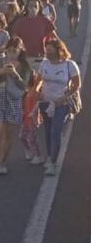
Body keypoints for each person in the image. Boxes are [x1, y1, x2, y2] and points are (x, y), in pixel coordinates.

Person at [0, 38, 29, 178]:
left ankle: (2, 162)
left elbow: (25, 87)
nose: (11, 54)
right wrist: (0, 72)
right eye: (9, 51)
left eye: (14, 51)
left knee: (8, 135)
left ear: (20, 51)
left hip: (14, 101)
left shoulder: (25, 65)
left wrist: (15, 75)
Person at [36, 39, 82, 176]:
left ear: (59, 50)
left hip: (61, 103)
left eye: (50, 50)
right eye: (46, 50)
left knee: (56, 131)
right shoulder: (44, 64)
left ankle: (53, 162)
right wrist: (37, 92)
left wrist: (65, 96)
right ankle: (50, 155)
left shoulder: (69, 65)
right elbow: (38, 81)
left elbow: (76, 84)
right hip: (46, 101)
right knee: (48, 130)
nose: (47, 52)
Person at [12, 0, 59, 66]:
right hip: (24, 57)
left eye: (35, 6)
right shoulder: (20, 22)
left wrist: (59, 52)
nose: (33, 8)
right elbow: (14, 40)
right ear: (27, 7)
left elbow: (55, 38)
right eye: (30, 6)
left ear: (39, 8)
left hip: (40, 57)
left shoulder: (45, 21)